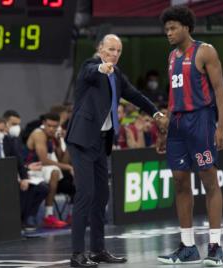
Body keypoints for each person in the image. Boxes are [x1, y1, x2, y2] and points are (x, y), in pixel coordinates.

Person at [65, 34, 166, 268]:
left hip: (101, 142)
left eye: (118, 50)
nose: (115, 54)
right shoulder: (89, 66)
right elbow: (91, 71)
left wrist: (156, 113)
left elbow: (134, 95)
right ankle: (77, 254)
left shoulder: (117, 75)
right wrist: (102, 67)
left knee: (102, 196)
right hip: (82, 140)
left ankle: (98, 250)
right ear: (100, 49)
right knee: (86, 195)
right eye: (111, 49)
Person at [157, 6, 223, 267]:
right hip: (176, 123)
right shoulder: (171, 56)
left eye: (173, 28)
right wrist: (164, 131)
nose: (169, 33)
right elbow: (173, 96)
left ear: (186, 27)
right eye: (166, 29)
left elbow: (220, 91)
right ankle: (188, 246)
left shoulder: (205, 51)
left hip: (201, 120)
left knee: (209, 179)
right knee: (179, 182)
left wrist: (221, 127)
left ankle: (215, 246)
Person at [0, 118, 48, 232]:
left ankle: (27, 218)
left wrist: (24, 178)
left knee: (41, 188)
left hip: (10, 178)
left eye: (1, 130)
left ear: (5, 130)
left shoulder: (9, 141)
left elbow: (19, 162)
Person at [24, 113, 75, 228]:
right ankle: (48, 215)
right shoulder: (39, 134)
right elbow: (44, 160)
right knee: (55, 171)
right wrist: (69, 168)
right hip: (30, 169)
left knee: (75, 179)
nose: (52, 129)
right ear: (44, 124)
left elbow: (64, 160)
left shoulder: (53, 137)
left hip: (43, 170)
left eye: (55, 126)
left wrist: (63, 141)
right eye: (49, 126)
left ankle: (72, 214)